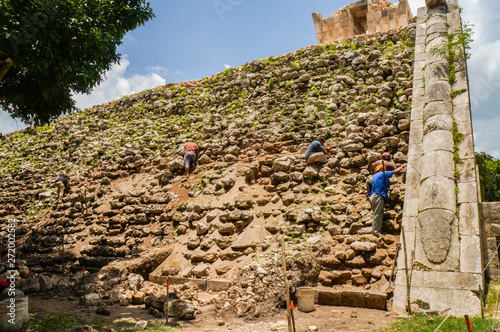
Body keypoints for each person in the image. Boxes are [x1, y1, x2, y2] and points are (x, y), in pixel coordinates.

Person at [369, 163, 406, 236]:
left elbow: (379, 186)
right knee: (378, 214)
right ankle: (376, 232)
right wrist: (402, 166)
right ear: (381, 169)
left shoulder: (375, 177)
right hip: (377, 196)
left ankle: (376, 230)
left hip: (374, 196)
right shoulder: (382, 174)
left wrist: (389, 189)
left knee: (377, 213)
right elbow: (395, 172)